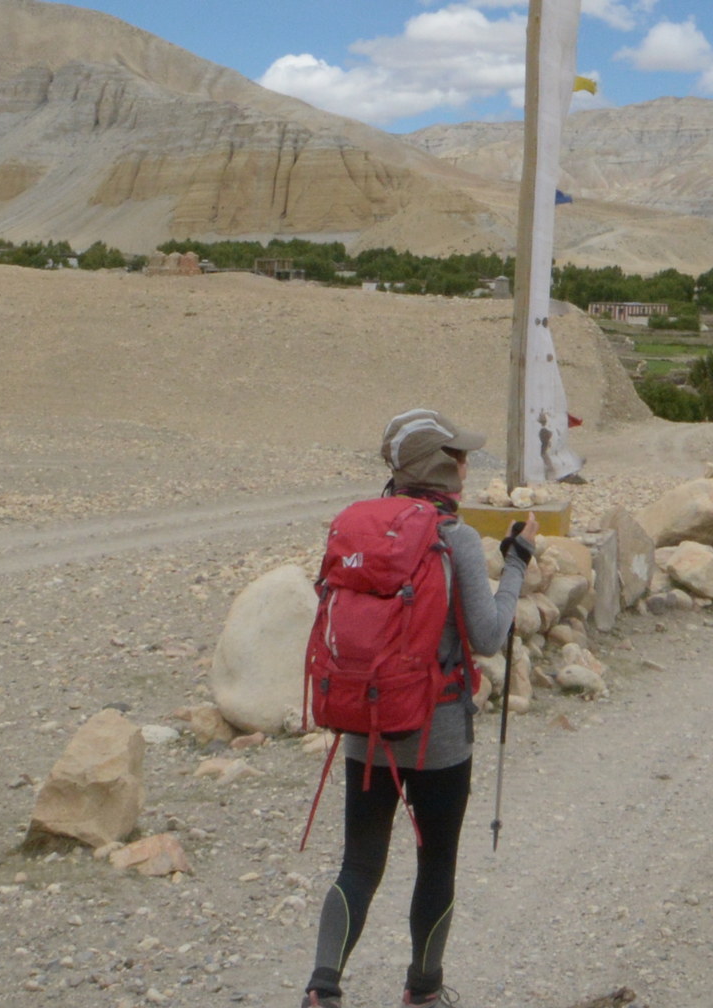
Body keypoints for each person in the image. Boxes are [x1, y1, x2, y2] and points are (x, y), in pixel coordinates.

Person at [303, 408, 531, 1008]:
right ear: (440, 467)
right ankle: (423, 990)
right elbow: (488, 636)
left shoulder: (360, 527)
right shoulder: (454, 537)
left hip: (368, 726)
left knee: (359, 865)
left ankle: (322, 988)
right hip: (439, 734)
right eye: (459, 455)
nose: (467, 465)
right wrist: (516, 563)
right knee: (435, 863)